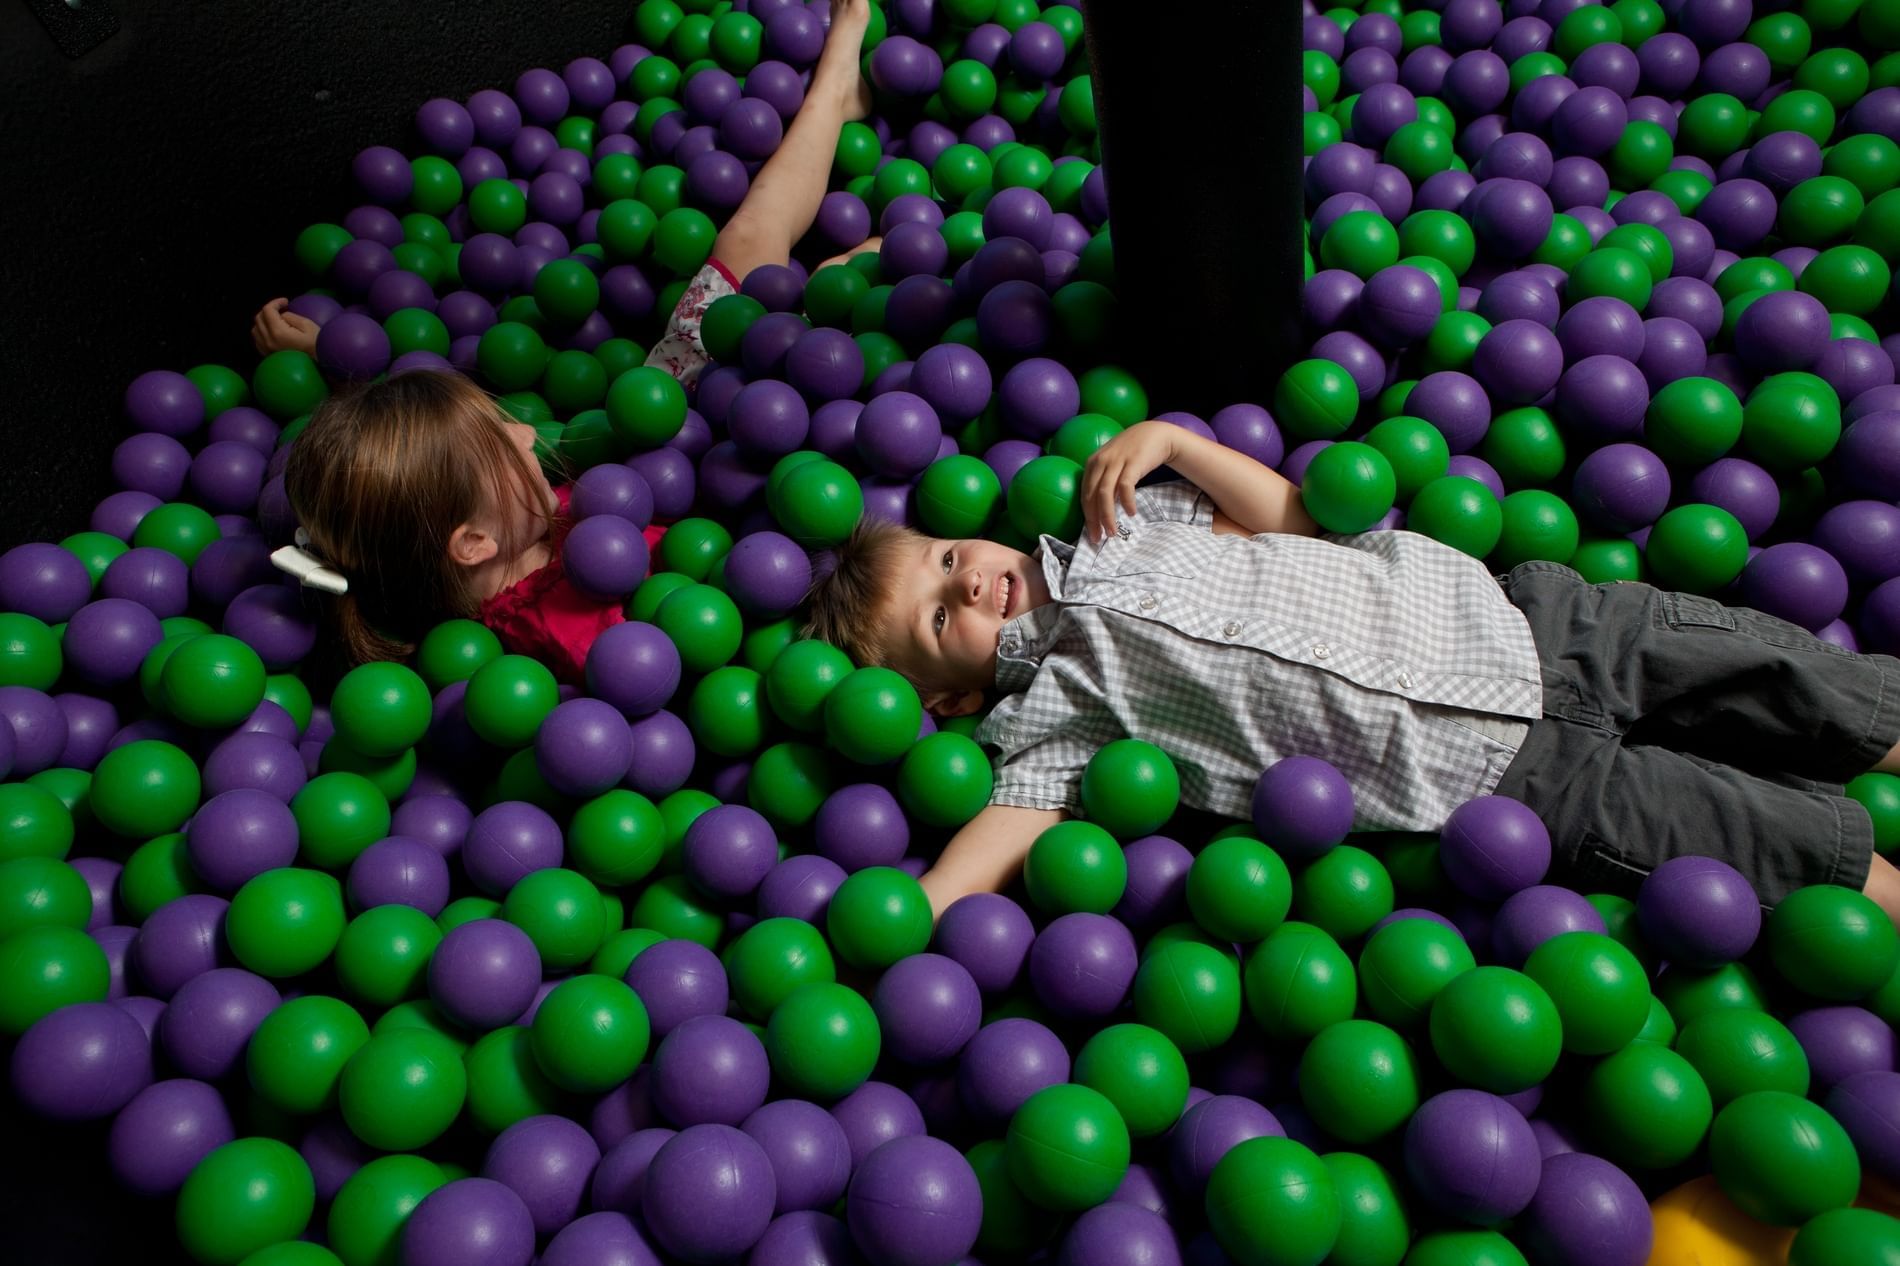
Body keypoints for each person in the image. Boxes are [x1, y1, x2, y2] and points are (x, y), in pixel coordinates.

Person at [804, 418, 1900, 924]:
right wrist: (915, 908)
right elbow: (991, 848)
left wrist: (1176, 443)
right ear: (947, 700)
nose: (972, 586)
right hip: (1504, 792)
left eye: (951, 561)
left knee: (1818, 692)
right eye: (942, 617)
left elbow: (1295, 520)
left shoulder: (1117, 524)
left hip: (1539, 626)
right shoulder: (1050, 718)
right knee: (1789, 853)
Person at [255, 0, 879, 678]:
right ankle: (869, 261)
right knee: (840, 302)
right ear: (471, 543)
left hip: (666, 423)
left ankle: (833, 92)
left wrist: (326, 356)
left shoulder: (458, 523)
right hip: (730, 474)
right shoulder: (576, 625)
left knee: (751, 247)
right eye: (506, 442)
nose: (530, 436)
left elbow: (403, 445)